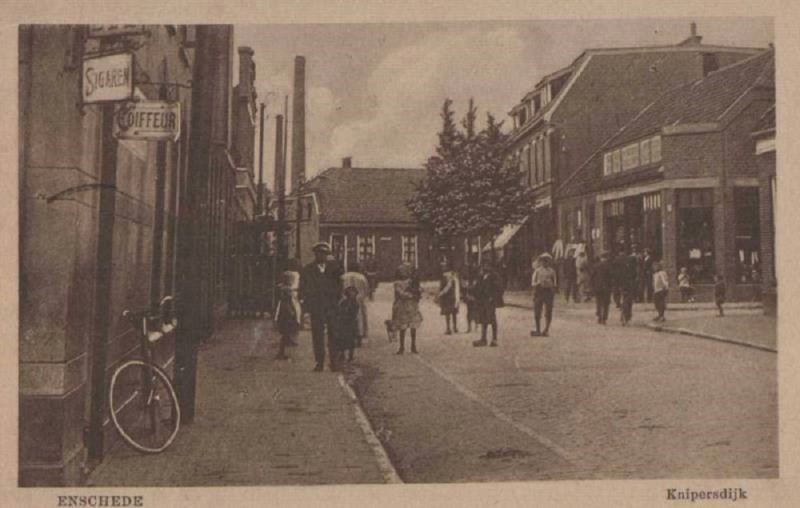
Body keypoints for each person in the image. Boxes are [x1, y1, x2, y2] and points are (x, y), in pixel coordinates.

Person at [299, 242, 343, 372]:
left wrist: (336, 300)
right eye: (319, 254)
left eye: (324, 254)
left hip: (331, 306)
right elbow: (303, 288)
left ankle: (334, 361)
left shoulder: (335, 269)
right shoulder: (308, 269)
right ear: (315, 254)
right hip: (316, 306)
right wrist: (306, 306)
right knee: (317, 334)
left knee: (333, 334)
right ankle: (319, 362)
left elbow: (339, 286)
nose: (321, 256)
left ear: (327, 255)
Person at [273, 259, 303, 360]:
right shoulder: (295, 275)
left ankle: (286, 341)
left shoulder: (284, 275)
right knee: (291, 320)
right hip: (291, 301)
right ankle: (281, 351)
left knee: (286, 323)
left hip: (287, 301)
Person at [472, 258, 505, 347]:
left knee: (492, 318)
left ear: (490, 266)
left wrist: (493, 297)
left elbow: (500, 288)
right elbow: (477, 287)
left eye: (487, 265)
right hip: (482, 301)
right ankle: (483, 339)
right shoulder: (482, 276)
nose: (485, 267)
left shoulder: (494, 276)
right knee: (483, 319)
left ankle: (494, 339)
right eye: (483, 265)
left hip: (490, 301)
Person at [392, 263, 423, 354]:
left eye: (405, 271)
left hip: (412, 305)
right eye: (402, 271)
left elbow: (418, 288)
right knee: (403, 326)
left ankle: (413, 345)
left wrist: (419, 291)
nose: (404, 272)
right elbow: (400, 293)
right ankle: (402, 346)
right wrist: (412, 295)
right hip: (402, 306)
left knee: (413, 326)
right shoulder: (397, 283)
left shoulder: (411, 281)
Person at [342, 261, 370, 346]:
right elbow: (366, 290)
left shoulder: (343, 277)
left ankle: (347, 337)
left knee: (346, 318)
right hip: (359, 301)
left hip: (346, 301)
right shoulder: (362, 277)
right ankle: (359, 338)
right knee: (359, 318)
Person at [531, 253, 557, 337]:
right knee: (537, 311)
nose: (545, 262)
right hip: (539, 291)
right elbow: (532, 283)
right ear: (541, 261)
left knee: (548, 311)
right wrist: (537, 284)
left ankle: (546, 329)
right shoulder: (537, 271)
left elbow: (555, 283)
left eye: (547, 261)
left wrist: (552, 286)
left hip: (548, 292)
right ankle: (538, 329)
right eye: (543, 260)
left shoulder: (552, 271)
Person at [337, 286, 360, 363]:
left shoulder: (349, 303)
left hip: (348, 323)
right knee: (347, 340)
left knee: (349, 340)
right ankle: (345, 355)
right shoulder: (347, 303)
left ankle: (348, 356)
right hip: (347, 323)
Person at [437, 260, 461, 334]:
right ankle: (454, 327)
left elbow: (444, 287)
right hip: (453, 296)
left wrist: (440, 293)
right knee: (453, 312)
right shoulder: (454, 276)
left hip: (448, 296)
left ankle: (449, 328)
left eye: (444, 266)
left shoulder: (445, 276)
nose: (443, 268)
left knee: (448, 313)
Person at [618, 248, 639, 326]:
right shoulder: (632, 264)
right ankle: (626, 316)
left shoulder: (621, 263)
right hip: (629, 284)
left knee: (625, 300)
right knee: (628, 301)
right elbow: (635, 275)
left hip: (624, 284)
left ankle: (624, 316)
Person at [591, 252, 613, 325]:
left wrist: (593, 286)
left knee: (599, 302)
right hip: (606, 287)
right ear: (606, 258)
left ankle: (599, 315)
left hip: (598, 287)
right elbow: (611, 277)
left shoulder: (596, 266)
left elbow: (592, 277)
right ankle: (604, 318)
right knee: (606, 303)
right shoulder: (609, 266)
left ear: (601, 258)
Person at [461, 256, 479, 333]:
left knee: (475, 310)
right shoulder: (468, 273)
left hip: (476, 295)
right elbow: (463, 283)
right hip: (469, 294)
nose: (472, 265)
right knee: (469, 311)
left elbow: (478, 285)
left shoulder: (478, 274)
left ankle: (475, 326)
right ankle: (470, 327)